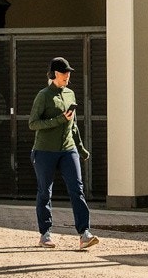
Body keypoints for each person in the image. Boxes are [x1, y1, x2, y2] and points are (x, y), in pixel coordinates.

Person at [28, 57, 98, 250]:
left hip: (68, 150)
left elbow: (73, 125)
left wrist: (81, 149)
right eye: (63, 72)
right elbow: (33, 123)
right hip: (44, 151)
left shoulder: (70, 94)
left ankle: (85, 234)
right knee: (45, 192)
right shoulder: (43, 96)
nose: (67, 75)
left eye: (68, 72)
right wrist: (59, 120)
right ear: (53, 74)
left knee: (77, 189)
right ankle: (45, 234)